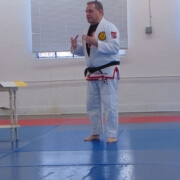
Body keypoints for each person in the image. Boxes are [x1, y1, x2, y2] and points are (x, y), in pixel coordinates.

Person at [71, 1, 120, 143]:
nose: (87, 14)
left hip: (107, 71)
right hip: (93, 72)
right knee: (92, 104)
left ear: (100, 11)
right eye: (86, 11)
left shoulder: (110, 27)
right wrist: (76, 48)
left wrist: (97, 42)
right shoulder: (87, 30)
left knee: (109, 104)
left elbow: (115, 47)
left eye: (90, 11)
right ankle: (95, 132)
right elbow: (89, 53)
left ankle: (111, 134)